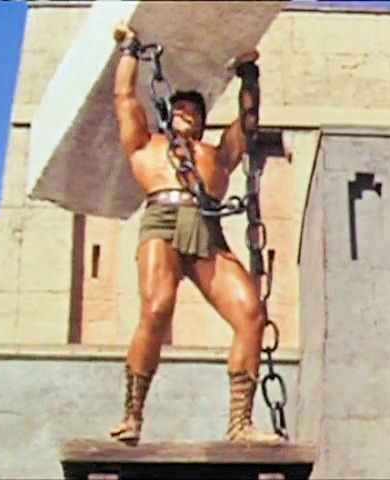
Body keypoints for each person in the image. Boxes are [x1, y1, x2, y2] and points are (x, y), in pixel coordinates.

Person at [109, 21, 282, 445]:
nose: (187, 111)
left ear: (204, 122)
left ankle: (240, 424)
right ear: (169, 116)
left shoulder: (216, 156)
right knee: (157, 308)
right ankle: (132, 415)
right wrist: (129, 50)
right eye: (181, 107)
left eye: (195, 110)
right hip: (162, 221)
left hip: (207, 229)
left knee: (251, 315)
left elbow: (249, 122)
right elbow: (124, 97)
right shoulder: (146, 145)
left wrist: (248, 74)